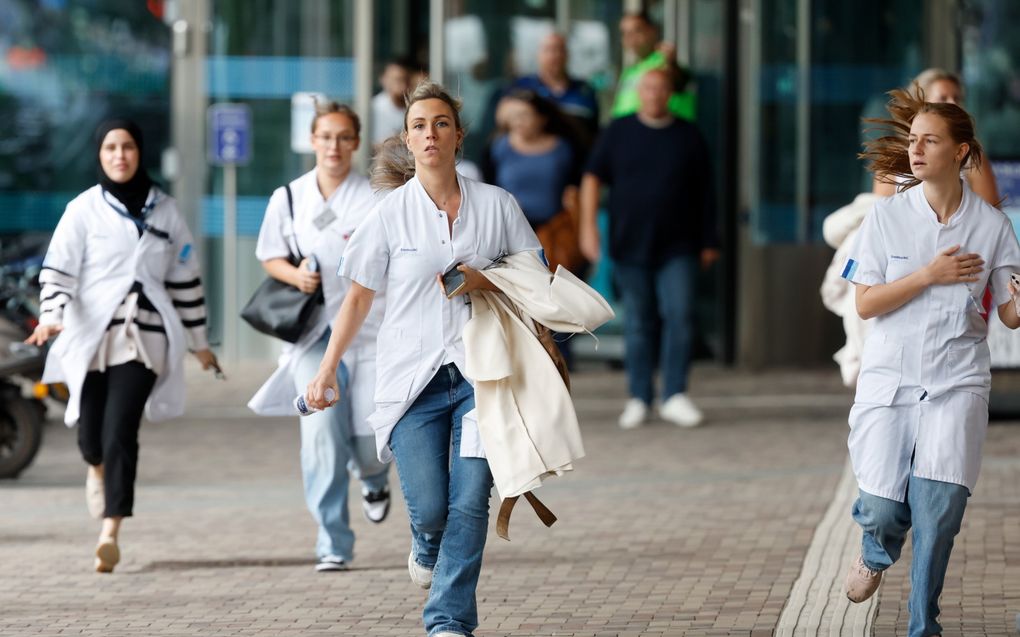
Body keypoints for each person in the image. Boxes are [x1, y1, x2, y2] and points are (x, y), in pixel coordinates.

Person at [304, 80, 542, 637]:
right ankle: (425, 541)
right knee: (432, 507)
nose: (429, 134)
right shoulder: (388, 215)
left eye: (440, 123)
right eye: (418, 126)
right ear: (407, 142)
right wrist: (326, 368)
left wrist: (486, 278)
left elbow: (535, 271)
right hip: (413, 382)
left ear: (458, 136)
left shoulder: (496, 204)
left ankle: (447, 620)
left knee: (470, 501)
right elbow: (358, 296)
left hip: (485, 376)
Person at [841, 86, 1020, 637]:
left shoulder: (992, 226)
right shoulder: (886, 218)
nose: (915, 151)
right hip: (890, 380)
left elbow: (1010, 315)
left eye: (929, 141)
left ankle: (925, 625)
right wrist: (927, 275)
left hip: (957, 378)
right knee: (883, 509)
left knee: (940, 510)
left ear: (961, 151)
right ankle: (875, 550)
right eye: (912, 140)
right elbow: (866, 303)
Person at [26, 119, 218, 573]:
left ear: (139, 151)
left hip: (145, 338)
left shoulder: (166, 211)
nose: (120, 155)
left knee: (120, 431)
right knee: (91, 437)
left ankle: (110, 531)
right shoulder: (83, 210)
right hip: (90, 336)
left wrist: (199, 343)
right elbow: (58, 272)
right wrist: (52, 317)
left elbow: (186, 281)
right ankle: (94, 467)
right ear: (100, 153)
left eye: (128, 146)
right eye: (111, 147)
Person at [249, 101, 391, 573]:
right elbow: (270, 255)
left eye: (343, 137)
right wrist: (295, 277)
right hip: (313, 334)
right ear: (312, 140)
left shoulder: (375, 196)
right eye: (325, 136)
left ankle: (372, 478)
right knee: (322, 435)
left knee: (374, 440)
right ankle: (333, 541)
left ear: (355, 142)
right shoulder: (288, 198)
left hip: (369, 332)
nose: (333, 146)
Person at [580, 68, 719, 430]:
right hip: (630, 244)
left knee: (680, 315)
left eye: (661, 88)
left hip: (681, 246)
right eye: (648, 88)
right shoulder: (619, 131)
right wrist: (588, 227)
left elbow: (707, 192)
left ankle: (674, 394)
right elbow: (592, 179)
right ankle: (639, 397)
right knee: (639, 323)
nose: (654, 94)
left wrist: (710, 241)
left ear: (670, 93)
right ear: (639, 92)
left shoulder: (689, 135)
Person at [872, 68, 1000, 206]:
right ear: (921, 102)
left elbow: (991, 213)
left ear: (960, 151)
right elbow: (882, 215)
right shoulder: (893, 156)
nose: (953, 103)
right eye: (943, 98)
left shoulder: (971, 155)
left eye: (957, 98)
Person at [507, 32, 599, 150]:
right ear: (538, 55)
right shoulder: (521, 87)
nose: (555, 55)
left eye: (559, 49)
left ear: (567, 55)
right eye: (548, 50)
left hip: (577, 161)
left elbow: (594, 132)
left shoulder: (585, 90)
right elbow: (505, 121)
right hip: (533, 159)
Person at [611, 11, 695, 121]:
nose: (630, 38)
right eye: (625, 33)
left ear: (652, 31)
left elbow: (680, 83)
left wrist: (672, 64)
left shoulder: (664, 60)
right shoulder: (631, 70)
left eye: (637, 31)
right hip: (628, 132)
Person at [372, 59, 412, 146]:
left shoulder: (414, 108)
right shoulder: (374, 108)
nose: (403, 85)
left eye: (405, 80)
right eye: (397, 80)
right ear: (384, 80)